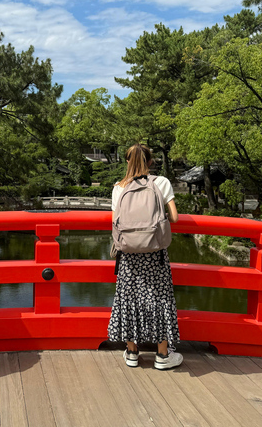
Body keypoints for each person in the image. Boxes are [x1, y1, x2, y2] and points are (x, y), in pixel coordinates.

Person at [108, 144, 182, 370]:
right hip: (155, 254)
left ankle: (132, 353)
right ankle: (162, 356)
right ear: (150, 162)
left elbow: (115, 222)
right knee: (159, 300)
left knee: (129, 300)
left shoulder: (119, 187)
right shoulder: (161, 183)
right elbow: (175, 218)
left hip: (129, 255)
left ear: (127, 162)